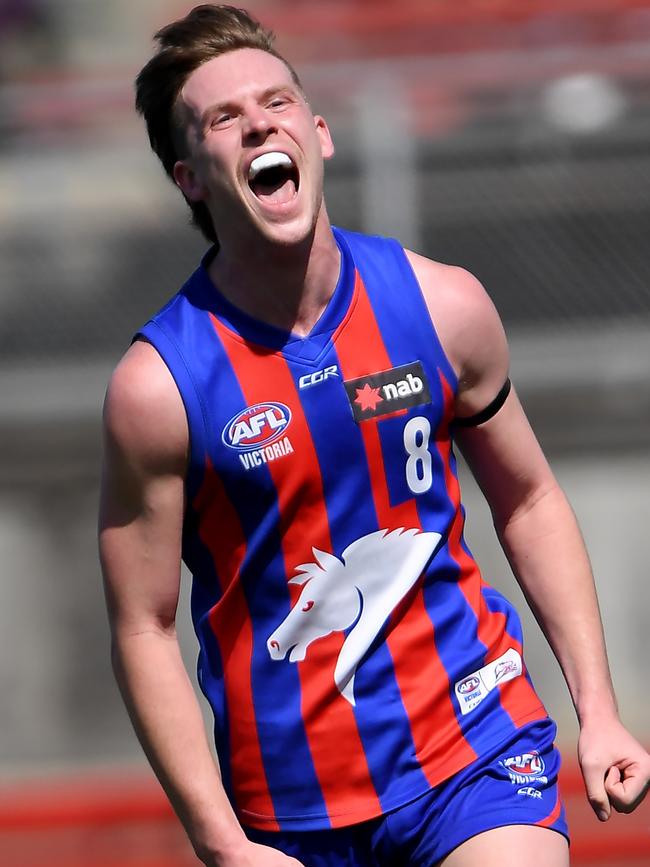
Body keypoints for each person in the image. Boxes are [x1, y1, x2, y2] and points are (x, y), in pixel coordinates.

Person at [98, 5, 650, 866]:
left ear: (318, 134)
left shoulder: (442, 304)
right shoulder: (158, 387)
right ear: (190, 178)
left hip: (477, 749)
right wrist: (221, 842)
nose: (258, 126)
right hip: (290, 813)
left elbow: (530, 498)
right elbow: (142, 625)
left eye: (276, 103)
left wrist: (600, 707)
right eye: (224, 118)